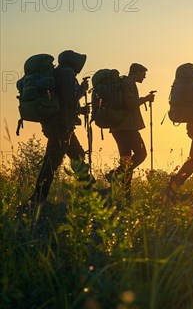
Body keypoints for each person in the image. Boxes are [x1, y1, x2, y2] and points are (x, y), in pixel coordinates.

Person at [30, 50, 92, 205]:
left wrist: (80, 110)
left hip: (60, 125)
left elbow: (62, 102)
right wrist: (83, 88)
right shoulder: (67, 73)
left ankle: (87, 192)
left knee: (77, 155)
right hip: (61, 126)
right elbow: (69, 97)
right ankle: (37, 198)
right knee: (52, 161)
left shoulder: (59, 72)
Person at [106, 63, 155, 202]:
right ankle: (116, 175)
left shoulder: (123, 83)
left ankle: (126, 195)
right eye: (143, 74)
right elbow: (131, 103)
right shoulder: (129, 83)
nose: (144, 77)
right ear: (137, 72)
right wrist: (145, 99)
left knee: (126, 158)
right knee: (141, 154)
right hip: (127, 127)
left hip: (119, 127)